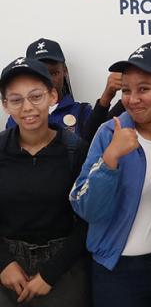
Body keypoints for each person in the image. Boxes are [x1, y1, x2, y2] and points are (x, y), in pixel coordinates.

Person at [69, 44, 151, 307]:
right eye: (126, 90)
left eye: (144, 89)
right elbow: (86, 208)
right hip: (115, 269)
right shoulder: (109, 133)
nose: (132, 99)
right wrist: (110, 159)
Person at [0, 57, 89, 306]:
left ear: (52, 96)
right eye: (16, 100)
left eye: (36, 96)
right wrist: (4, 263)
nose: (27, 107)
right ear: (5, 105)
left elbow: (88, 221)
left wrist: (50, 273)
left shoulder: (75, 151)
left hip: (63, 267)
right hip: (8, 265)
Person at [5, 38, 93, 138]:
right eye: (39, 75)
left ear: (65, 71)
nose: (48, 80)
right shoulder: (17, 117)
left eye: (54, 73)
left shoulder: (82, 111)